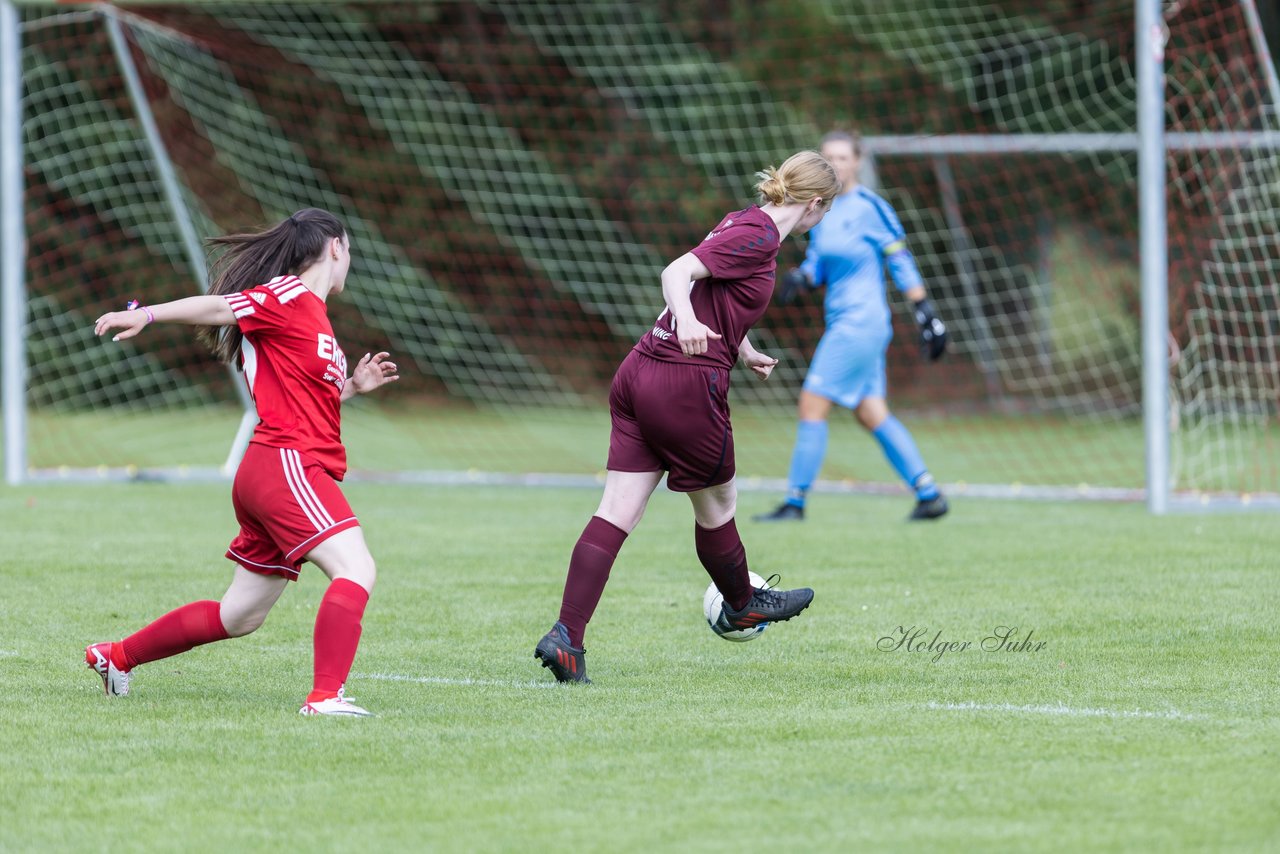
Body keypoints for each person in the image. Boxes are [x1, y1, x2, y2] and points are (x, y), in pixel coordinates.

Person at [534, 151, 841, 684]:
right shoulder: (763, 236)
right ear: (816, 204)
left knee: (617, 509)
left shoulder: (744, 221)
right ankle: (743, 603)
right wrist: (689, 319)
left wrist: (743, 349)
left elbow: (716, 291)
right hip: (683, 382)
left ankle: (566, 637)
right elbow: (677, 272)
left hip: (639, 372)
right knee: (719, 503)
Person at [86, 208, 399, 716]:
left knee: (240, 616)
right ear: (336, 247)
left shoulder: (313, 315)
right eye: (351, 253)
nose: (350, 263)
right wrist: (145, 314)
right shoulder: (288, 295)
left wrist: (352, 388)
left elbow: (304, 398)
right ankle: (325, 697)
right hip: (286, 463)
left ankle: (117, 657)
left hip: (276, 468)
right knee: (356, 568)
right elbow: (218, 309)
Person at [755, 130, 949, 523]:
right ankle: (929, 495)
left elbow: (899, 259)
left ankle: (795, 502)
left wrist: (925, 311)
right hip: (850, 321)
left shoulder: (869, 207)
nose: (835, 164)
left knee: (812, 402)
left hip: (860, 323)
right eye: (828, 157)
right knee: (870, 411)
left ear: (858, 161)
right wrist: (803, 277)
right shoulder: (822, 208)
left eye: (842, 157)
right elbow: (821, 261)